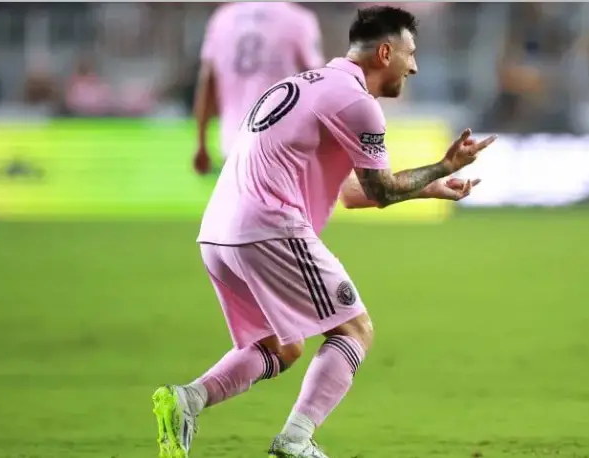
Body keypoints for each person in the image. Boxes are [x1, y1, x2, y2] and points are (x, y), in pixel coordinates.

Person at [153, 6, 495, 458]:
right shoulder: (357, 103)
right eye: (410, 54)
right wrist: (444, 165)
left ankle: (187, 400)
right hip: (270, 228)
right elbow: (382, 190)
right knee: (354, 329)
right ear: (385, 53)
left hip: (219, 234)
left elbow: (353, 193)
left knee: (283, 346)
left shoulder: (304, 85)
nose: (413, 66)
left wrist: (429, 187)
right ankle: (295, 440)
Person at [193, 2, 325, 175]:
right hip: (281, 144)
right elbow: (317, 82)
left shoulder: (223, 18)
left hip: (233, 142)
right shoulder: (298, 19)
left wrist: (201, 142)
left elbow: (208, 81)